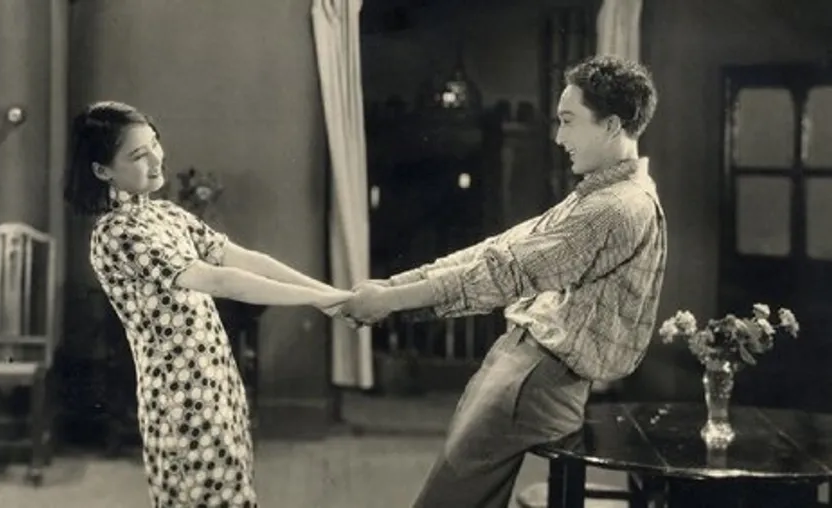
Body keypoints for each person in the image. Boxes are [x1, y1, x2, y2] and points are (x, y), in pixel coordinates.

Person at [343, 55, 667, 508]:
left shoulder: (614, 207)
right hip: (523, 366)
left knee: (445, 503)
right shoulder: (600, 194)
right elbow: (496, 250)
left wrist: (391, 300)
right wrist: (392, 288)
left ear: (612, 125)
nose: (559, 137)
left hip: (539, 377)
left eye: (568, 121)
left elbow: (503, 273)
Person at [64, 101, 352, 508]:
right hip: (180, 398)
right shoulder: (116, 234)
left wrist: (331, 295)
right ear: (102, 171)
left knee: (233, 493)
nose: (156, 159)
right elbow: (218, 279)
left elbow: (245, 259)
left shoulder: (167, 215)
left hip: (216, 379)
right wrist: (321, 300)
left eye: (155, 144)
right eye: (138, 154)